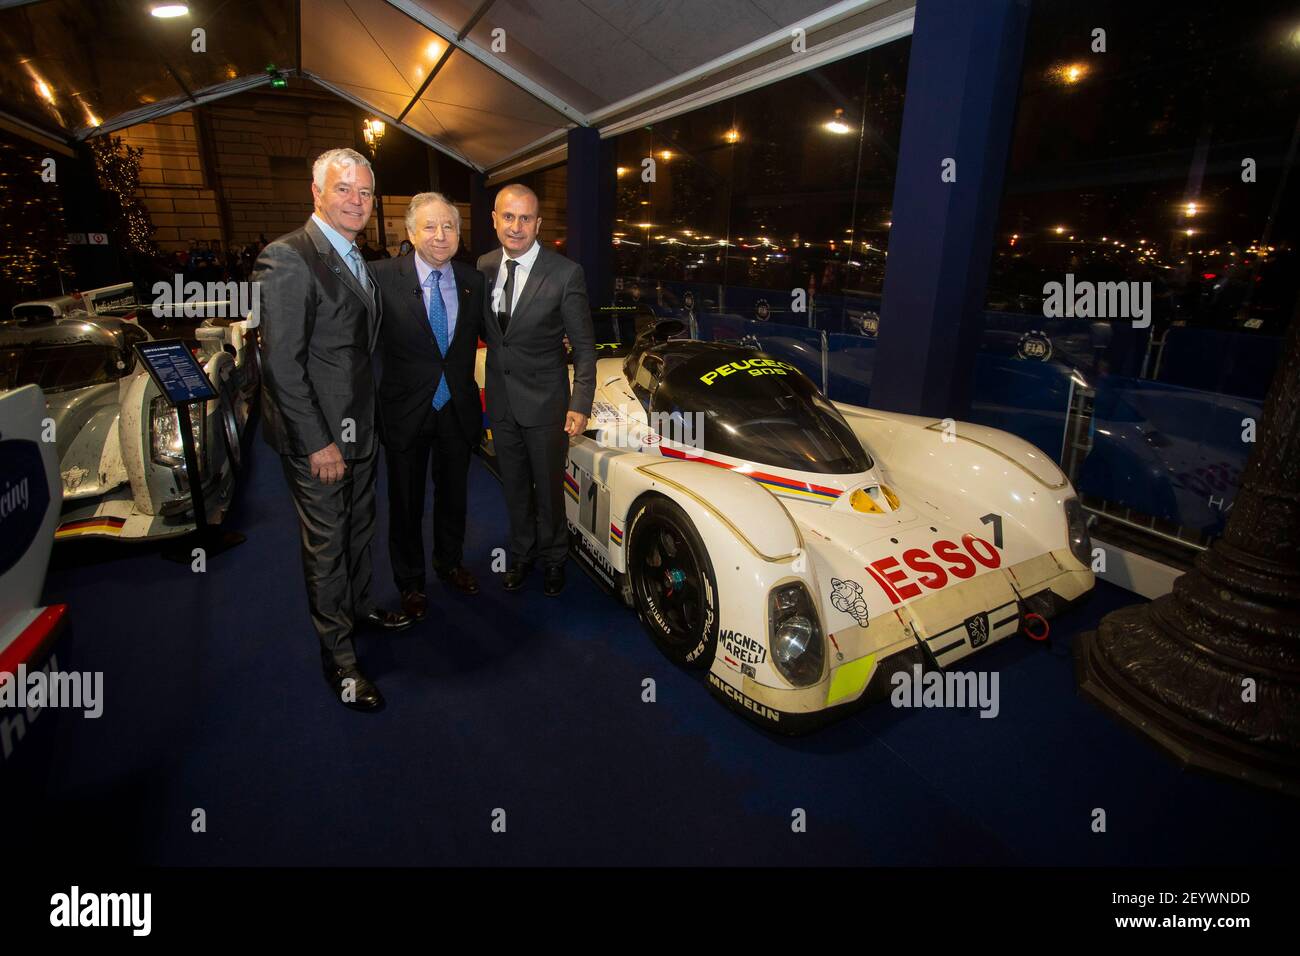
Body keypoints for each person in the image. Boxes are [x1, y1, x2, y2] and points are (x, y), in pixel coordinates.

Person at [254, 146, 412, 713]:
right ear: (316, 193)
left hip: (360, 429)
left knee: (361, 527)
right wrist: (319, 441)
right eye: (344, 188)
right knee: (326, 546)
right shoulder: (288, 258)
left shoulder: (355, 257)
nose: (357, 200)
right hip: (319, 437)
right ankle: (340, 660)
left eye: (365, 192)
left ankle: (362, 606)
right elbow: (281, 365)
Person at [477, 184, 596, 596]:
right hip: (501, 402)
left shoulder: (565, 273)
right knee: (513, 486)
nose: (516, 226)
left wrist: (581, 403)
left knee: (548, 491)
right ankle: (523, 554)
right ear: (494, 220)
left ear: (538, 224)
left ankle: (554, 559)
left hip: (547, 405)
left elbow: (583, 346)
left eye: (525, 218)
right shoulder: (484, 266)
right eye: (508, 217)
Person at [371, 193, 485, 620]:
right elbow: (361, 346)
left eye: (450, 227)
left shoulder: (474, 281)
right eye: (430, 227)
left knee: (454, 497)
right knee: (405, 502)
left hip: (456, 409)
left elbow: (496, 336)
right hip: (404, 412)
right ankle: (411, 583)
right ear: (411, 232)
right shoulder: (380, 277)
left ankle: (450, 563)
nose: (441, 236)